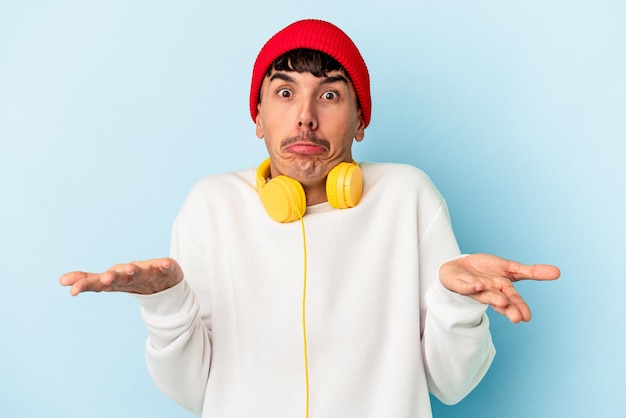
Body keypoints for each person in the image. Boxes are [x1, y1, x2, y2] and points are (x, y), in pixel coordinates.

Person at [60, 19, 560, 418]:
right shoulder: (211, 206)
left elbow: (451, 385)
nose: (304, 116)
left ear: (361, 120)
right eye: (284, 93)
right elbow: (194, 394)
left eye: (329, 94)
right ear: (256, 117)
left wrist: (455, 304)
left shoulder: (408, 197)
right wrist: (166, 307)